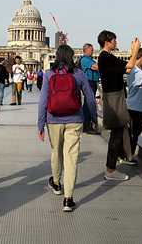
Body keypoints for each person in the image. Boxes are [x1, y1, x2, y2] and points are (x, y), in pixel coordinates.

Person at [38, 44, 98, 212]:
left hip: (53, 119)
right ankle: (68, 199)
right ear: (72, 56)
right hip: (75, 118)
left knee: (56, 151)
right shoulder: (78, 73)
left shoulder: (49, 74)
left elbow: (43, 101)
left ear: (56, 56)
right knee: (71, 158)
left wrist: (40, 124)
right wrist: (93, 118)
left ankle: (56, 183)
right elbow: (90, 99)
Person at [97, 30, 140, 181]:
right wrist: (135, 50)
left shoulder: (106, 58)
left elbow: (128, 70)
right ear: (106, 42)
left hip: (115, 97)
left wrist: (133, 56)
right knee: (117, 133)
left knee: (119, 131)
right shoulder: (105, 57)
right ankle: (111, 170)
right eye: (114, 40)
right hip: (114, 99)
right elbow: (130, 65)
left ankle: (114, 165)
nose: (116, 42)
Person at [80, 43, 100, 134]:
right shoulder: (85, 60)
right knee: (89, 104)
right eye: (91, 50)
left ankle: (88, 124)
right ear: (86, 50)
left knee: (89, 103)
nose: (93, 52)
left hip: (92, 82)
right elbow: (96, 67)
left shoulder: (89, 60)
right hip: (89, 82)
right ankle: (87, 125)